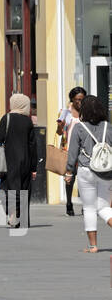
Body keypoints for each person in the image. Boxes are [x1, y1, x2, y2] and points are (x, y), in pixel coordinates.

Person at [64, 92, 112, 253]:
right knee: (103, 207)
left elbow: (72, 152)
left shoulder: (79, 127)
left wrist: (69, 171)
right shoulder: (108, 127)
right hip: (105, 171)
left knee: (90, 208)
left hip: (86, 170)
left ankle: (93, 245)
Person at [0, 92, 38, 229]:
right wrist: (34, 167)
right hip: (25, 160)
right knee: (24, 189)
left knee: (9, 188)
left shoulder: (6, 118)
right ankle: (23, 219)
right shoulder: (28, 121)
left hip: (9, 159)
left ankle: (13, 215)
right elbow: (33, 145)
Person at [56, 86, 86, 217]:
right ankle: (69, 203)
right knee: (70, 178)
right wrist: (60, 126)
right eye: (77, 100)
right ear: (72, 100)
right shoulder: (66, 113)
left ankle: (86, 205)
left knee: (84, 178)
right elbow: (58, 133)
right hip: (69, 149)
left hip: (85, 150)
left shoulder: (88, 112)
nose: (79, 102)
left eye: (82, 99)